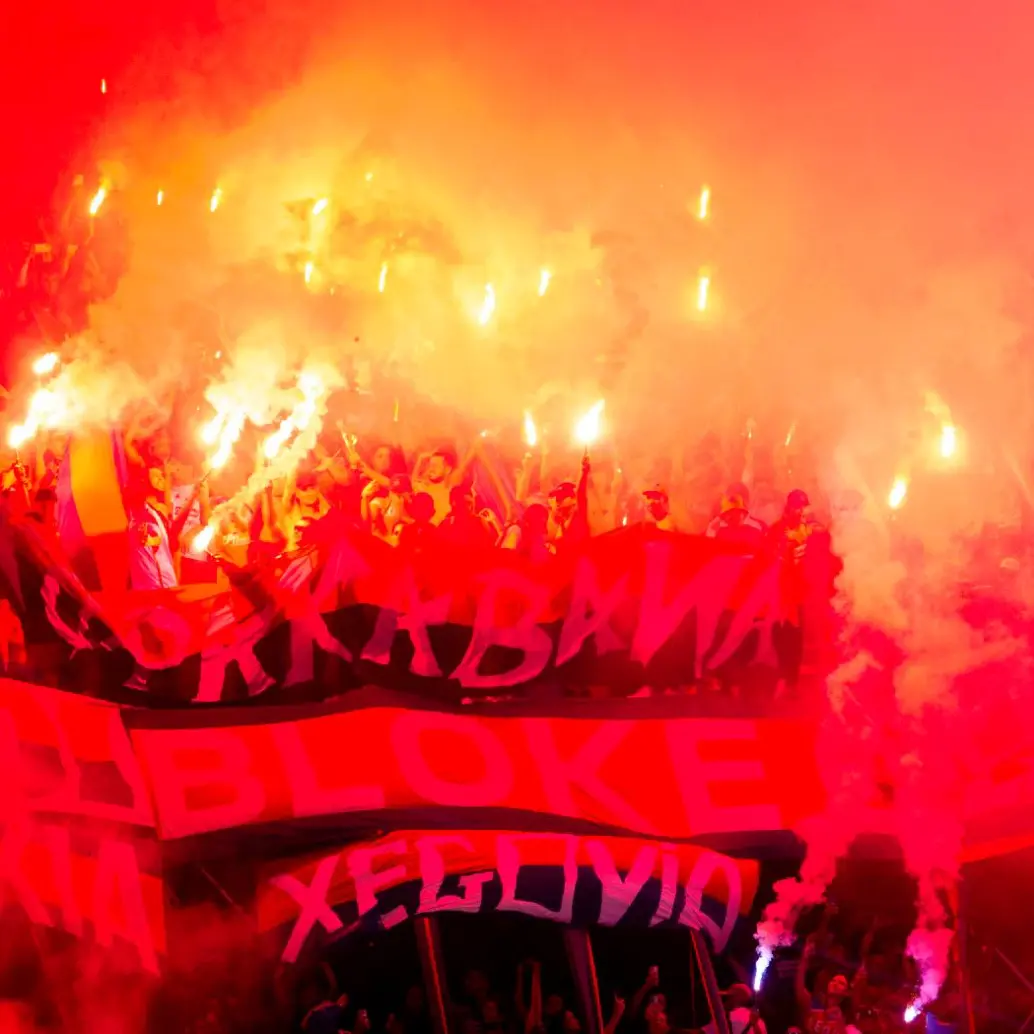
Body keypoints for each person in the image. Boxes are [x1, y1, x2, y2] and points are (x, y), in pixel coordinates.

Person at [702, 984, 767, 1034]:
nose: (725, 1002)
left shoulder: (728, 1017)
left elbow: (703, 1032)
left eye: (728, 998)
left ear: (735, 999)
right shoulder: (759, 1022)